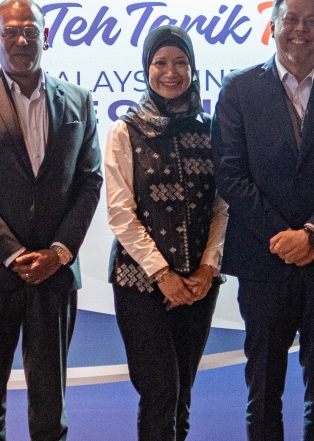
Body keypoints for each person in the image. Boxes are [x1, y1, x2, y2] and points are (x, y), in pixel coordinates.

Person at [212, 0, 314, 441]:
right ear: (273, 26)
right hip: (264, 264)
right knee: (263, 390)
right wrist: (286, 238)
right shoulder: (239, 89)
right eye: (291, 19)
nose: (301, 29)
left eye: (312, 21)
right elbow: (231, 176)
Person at [0, 0, 103, 441]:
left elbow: (90, 182)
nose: (20, 40)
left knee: (51, 405)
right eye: (10, 32)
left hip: (54, 276)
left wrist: (59, 252)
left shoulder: (79, 101)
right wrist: (14, 254)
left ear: (47, 37)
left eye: (30, 31)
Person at [105, 25, 229, 441]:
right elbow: (121, 214)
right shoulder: (126, 131)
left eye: (180, 63)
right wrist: (163, 275)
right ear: (147, 68)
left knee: (182, 395)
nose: (170, 72)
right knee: (160, 393)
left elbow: (222, 206)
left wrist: (208, 269)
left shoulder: (212, 130)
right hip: (140, 284)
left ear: (193, 70)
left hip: (199, 284)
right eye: (160, 63)